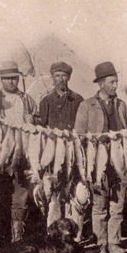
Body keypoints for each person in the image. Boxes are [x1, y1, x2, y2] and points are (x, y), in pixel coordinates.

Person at [74, 62, 127, 253]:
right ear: (100, 83)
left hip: (119, 160)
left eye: (116, 82)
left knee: (117, 204)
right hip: (98, 160)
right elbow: (79, 136)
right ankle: (101, 244)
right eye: (111, 82)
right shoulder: (87, 105)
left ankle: (114, 243)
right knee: (99, 205)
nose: (115, 86)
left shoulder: (121, 105)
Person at [0, 61, 38, 243]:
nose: (11, 82)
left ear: (18, 78)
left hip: (21, 156)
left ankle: (17, 239)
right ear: (1, 80)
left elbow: (38, 130)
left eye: (14, 78)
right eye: (6, 78)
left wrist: (32, 122)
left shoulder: (28, 100)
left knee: (20, 197)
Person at [38, 62, 84, 227]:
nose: (60, 79)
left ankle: (73, 233)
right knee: (54, 193)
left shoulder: (78, 100)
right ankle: (54, 232)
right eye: (57, 76)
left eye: (64, 75)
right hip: (53, 153)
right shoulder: (46, 101)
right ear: (52, 78)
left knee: (73, 192)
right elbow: (41, 129)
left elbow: (82, 128)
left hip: (72, 152)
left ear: (69, 77)